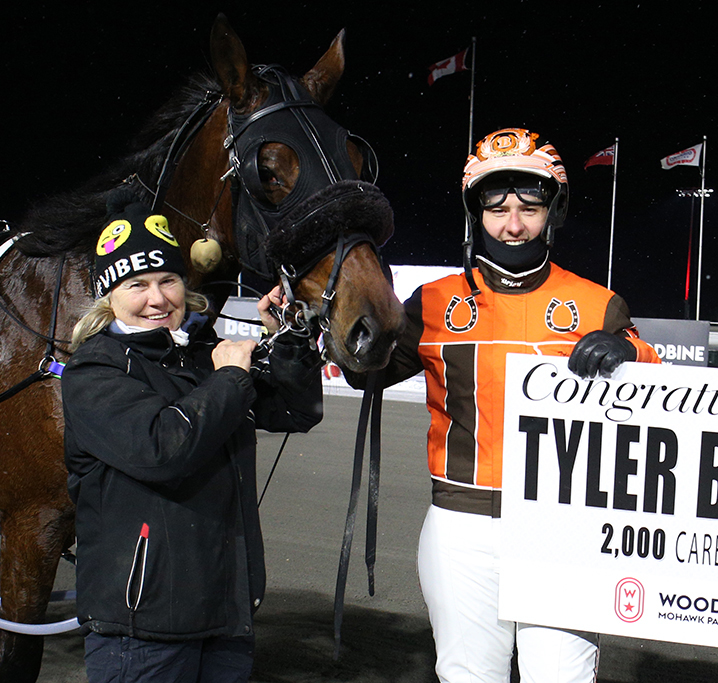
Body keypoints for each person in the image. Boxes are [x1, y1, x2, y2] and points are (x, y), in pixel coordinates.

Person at [346, 127, 660, 683]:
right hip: (460, 528)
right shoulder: (433, 301)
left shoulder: (598, 302)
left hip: (566, 529)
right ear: (476, 214)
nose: (512, 225)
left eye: (529, 207)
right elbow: (363, 368)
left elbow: (660, 400)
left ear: (553, 212)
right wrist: (304, 322)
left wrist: (628, 350)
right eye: (496, 208)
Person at [62, 195, 324, 682]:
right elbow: (164, 450)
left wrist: (288, 336)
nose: (157, 298)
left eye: (168, 280)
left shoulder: (201, 354)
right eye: (137, 285)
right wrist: (228, 379)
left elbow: (296, 410)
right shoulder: (94, 369)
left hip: (224, 614)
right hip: (143, 627)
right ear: (109, 297)